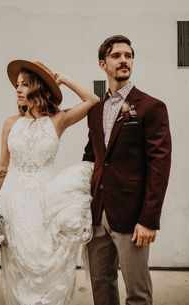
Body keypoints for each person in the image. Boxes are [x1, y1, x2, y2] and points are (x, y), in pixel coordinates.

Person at [0, 59, 99, 305]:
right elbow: (2, 166)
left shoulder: (58, 120)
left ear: (37, 87)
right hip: (12, 199)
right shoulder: (10, 123)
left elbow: (92, 100)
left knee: (46, 255)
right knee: (17, 261)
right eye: (17, 84)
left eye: (24, 84)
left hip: (46, 198)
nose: (18, 89)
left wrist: (62, 79)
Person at [83, 35, 171, 305]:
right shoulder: (95, 111)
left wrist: (148, 219)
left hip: (132, 217)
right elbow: (92, 156)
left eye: (128, 55)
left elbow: (159, 165)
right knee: (101, 285)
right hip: (98, 214)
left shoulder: (151, 107)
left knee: (137, 291)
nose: (123, 60)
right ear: (102, 63)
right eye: (116, 56)